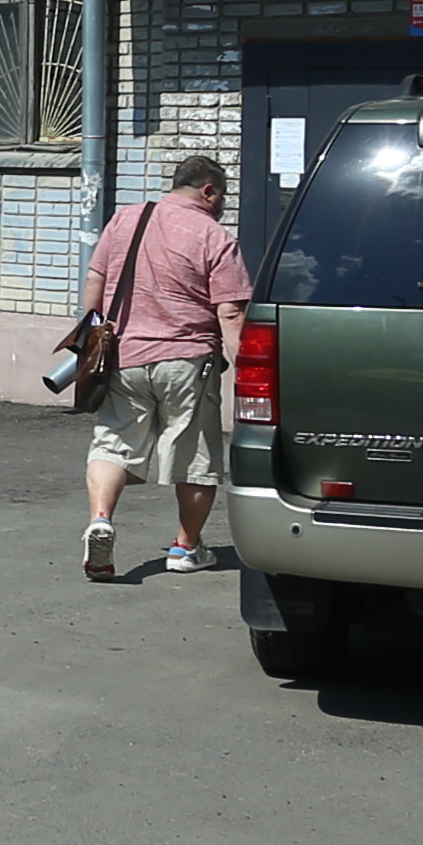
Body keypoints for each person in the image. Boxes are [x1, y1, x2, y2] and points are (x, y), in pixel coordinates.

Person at [78, 151, 256, 583]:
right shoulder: (214, 235)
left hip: (125, 356)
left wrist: (93, 337)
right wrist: (248, 370)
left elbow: (95, 280)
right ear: (209, 191)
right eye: (222, 195)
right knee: (195, 457)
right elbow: (231, 312)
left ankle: (101, 520)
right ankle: (185, 547)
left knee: (113, 444)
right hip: (187, 360)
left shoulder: (127, 219)